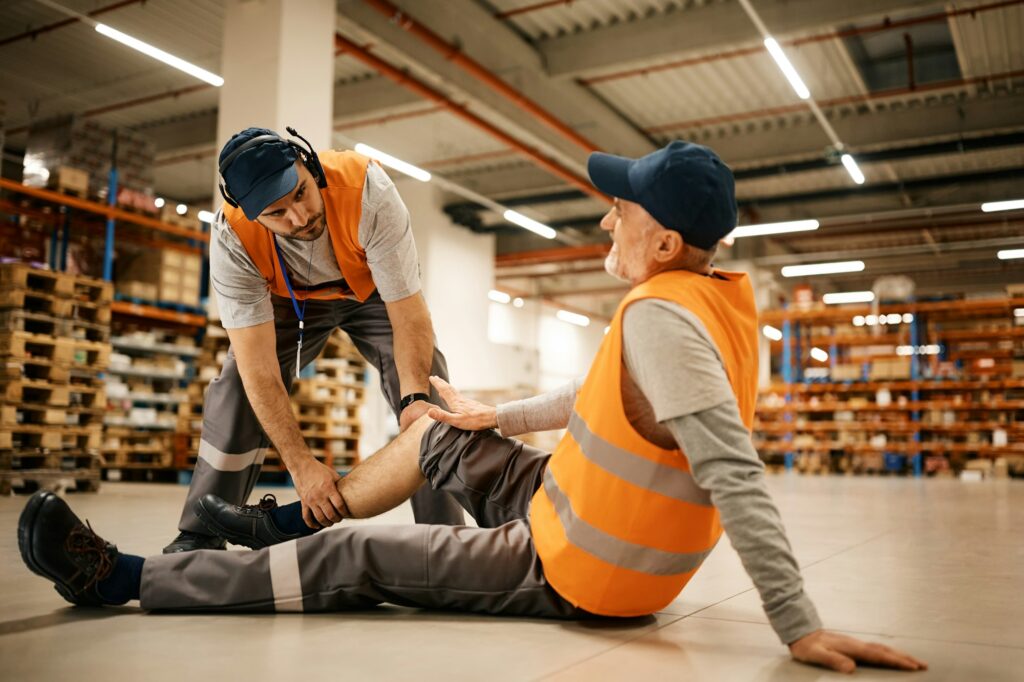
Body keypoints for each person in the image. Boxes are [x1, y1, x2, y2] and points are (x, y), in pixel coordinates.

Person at [20, 142, 926, 674]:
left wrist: (796, 623)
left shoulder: (664, 324)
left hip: (580, 571)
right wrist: (497, 417)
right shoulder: (705, 299)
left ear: (665, 239)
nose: (606, 224)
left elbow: (734, 471)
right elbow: (596, 399)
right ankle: (281, 520)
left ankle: (128, 578)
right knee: (443, 431)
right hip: (564, 501)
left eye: (619, 212)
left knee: (359, 556)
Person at [162, 126, 464, 555]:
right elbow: (259, 369)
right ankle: (201, 530)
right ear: (251, 214)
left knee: (431, 395)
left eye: (300, 193)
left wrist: (414, 396)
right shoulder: (234, 239)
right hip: (287, 299)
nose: (299, 218)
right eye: (277, 213)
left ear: (308, 164)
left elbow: (409, 314)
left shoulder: (366, 189)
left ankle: (445, 534)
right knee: (235, 388)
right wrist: (300, 465)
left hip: (372, 290)